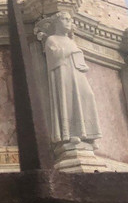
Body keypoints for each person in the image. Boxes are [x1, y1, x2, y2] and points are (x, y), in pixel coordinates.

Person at [35, 11, 100, 149]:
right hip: (63, 73)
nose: (68, 22)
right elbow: (54, 55)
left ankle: (87, 132)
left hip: (76, 72)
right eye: (65, 19)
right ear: (57, 23)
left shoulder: (70, 40)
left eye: (69, 20)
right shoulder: (52, 39)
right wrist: (70, 50)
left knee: (88, 95)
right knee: (68, 100)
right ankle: (70, 134)